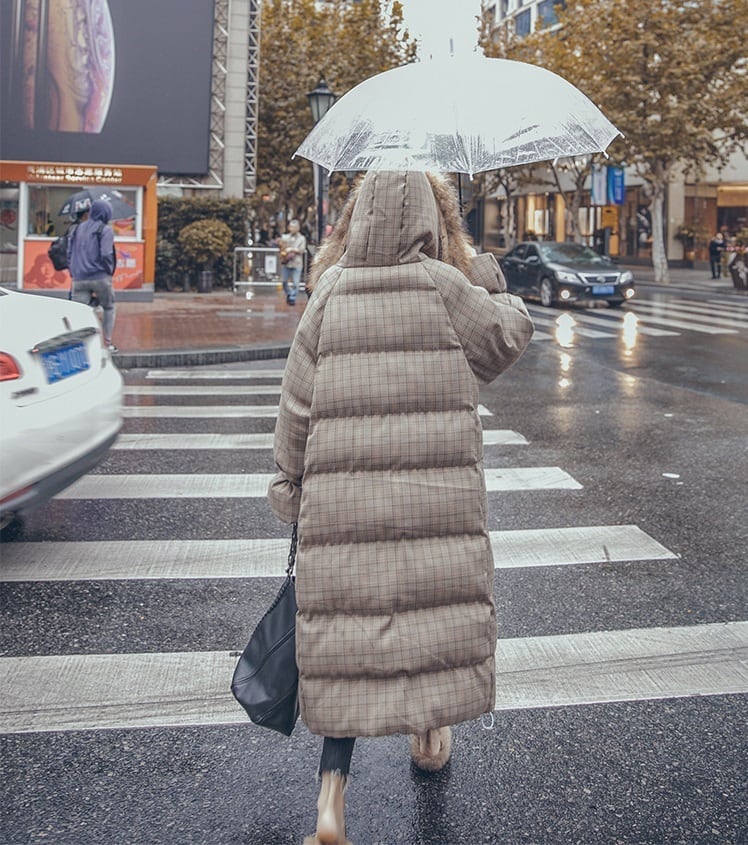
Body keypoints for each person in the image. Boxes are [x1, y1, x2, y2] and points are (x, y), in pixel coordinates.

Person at [268, 170, 534, 845]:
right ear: (430, 219)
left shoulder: (329, 293)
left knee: (347, 644)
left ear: (356, 220)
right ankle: (429, 736)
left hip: (342, 508)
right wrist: (481, 273)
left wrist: (289, 483)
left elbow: (295, 404)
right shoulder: (445, 288)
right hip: (433, 503)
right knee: (427, 623)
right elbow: (509, 338)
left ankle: (331, 804)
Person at [68, 199, 117, 351]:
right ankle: (107, 343)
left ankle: (81, 345)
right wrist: (108, 271)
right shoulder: (105, 229)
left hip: (78, 279)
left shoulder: (76, 229)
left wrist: (73, 272)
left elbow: (69, 253)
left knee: (79, 312)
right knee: (109, 307)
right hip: (100, 277)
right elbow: (107, 253)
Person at [279, 218, 307, 305]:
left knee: (295, 283)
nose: (293, 228)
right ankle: (289, 293)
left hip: (297, 263)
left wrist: (292, 249)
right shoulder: (285, 237)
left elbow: (302, 249)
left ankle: (292, 298)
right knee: (284, 282)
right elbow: (282, 248)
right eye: (291, 226)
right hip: (286, 262)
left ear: (298, 228)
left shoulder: (302, 238)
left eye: (295, 227)